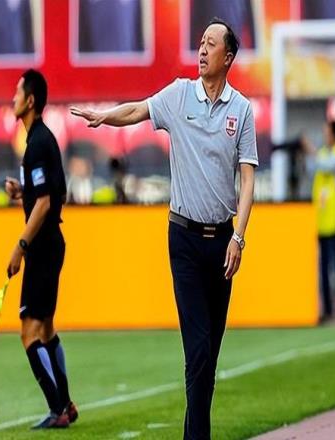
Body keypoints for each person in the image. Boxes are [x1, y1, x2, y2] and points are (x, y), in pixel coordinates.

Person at [70, 18, 257, 440]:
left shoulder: (242, 110)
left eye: (211, 44)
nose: (202, 49)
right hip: (184, 239)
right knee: (197, 348)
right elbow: (137, 109)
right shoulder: (178, 95)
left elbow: (247, 180)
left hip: (222, 242)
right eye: (201, 42)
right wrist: (103, 116)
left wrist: (239, 237)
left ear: (228, 57)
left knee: (209, 355)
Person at [5, 69, 78, 429]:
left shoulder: (36, 144)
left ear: (30, 100)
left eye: (18, 91)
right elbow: (55, 192)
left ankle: (57, 409)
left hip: (42, 247)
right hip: (53, 243)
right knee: (46, 329)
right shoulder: (44, 139)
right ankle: (66, 404)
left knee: (29, 332)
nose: (13, 97)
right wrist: (23, 193)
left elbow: (47, 203)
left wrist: (20, 246)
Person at [307, 120, 335, 321]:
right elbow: (311, 169)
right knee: (323, 266)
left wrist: (311, 152)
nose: (325, 135)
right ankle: (328, 309)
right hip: (320, 218)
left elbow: (327, 166)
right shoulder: (323, 152)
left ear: (334, 134)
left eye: (327, 131)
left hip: (333, 217)